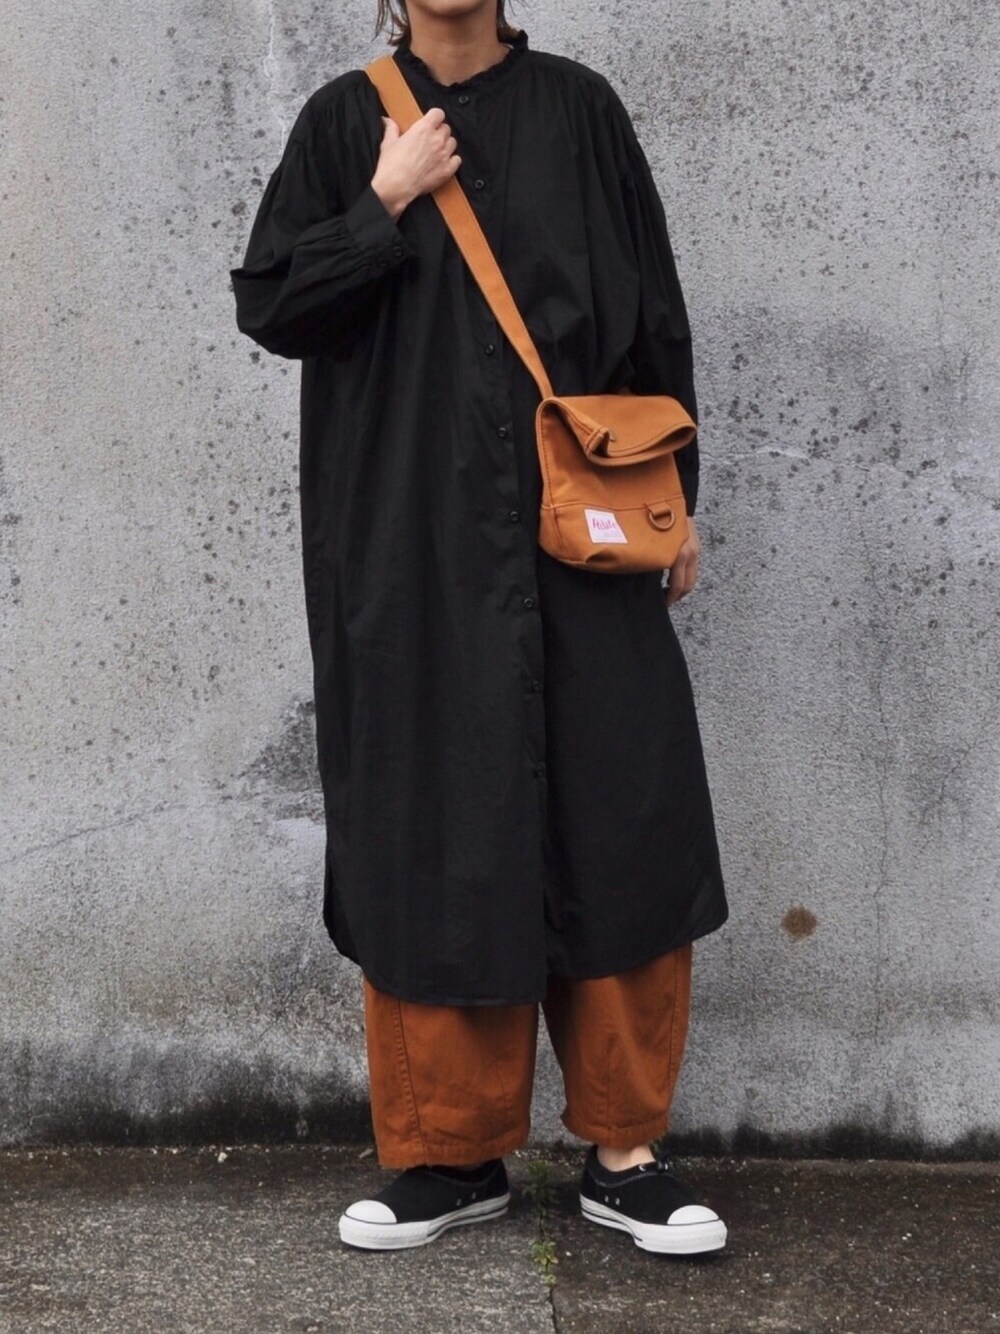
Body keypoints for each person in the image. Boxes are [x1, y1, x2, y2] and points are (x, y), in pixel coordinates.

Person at [231, 0, 730, 1256]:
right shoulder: (343, 122)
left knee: (620, 813)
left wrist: (677, 498)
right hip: (409, 546)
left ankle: (626, 1150)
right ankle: (449, 1155)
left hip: (583, 536)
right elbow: (274, 306)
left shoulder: (581, 111)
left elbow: (652, 315)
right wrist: (382, 202)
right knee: (431, 822)